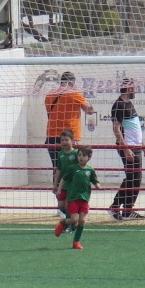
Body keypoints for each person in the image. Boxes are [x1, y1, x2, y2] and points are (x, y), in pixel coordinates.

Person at [44, 71, 95, 209]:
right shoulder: (74, 94)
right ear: (72, 82)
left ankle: (60, 205)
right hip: (69, 138)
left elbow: (50, 114)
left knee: (58, 169)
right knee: (73, 170)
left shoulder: (49, 95)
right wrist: (86, 101)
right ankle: (70, 205)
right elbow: (89, 110)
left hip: (52, 137)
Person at [108, 79, 145, 221]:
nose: (135, 90)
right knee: (132, 178)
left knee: (135, 178)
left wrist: (143, 145)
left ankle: (126, 210)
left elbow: (134, 127)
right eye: (134, 87)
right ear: (129, 88)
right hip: (128, 147)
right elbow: (116, 129)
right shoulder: (118, 105)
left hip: (136, 146)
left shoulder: (129, 103)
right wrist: (126, 148)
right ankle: (116, 207)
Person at [57, 146, 99, 250]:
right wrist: (59, 189)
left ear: (89, 157)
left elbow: (94, 180)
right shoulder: (73, 168)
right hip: (73, 198)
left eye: (83, 155)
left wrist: (98, 185)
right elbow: (64, 178)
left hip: (84, 198)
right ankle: (63, 222)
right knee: (74, 219)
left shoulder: (90, 170)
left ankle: (76, 242)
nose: (80, 157)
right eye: (79, 155)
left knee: (82, 221)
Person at [50, 130, 79, 230]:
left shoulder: (76, 153)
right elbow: (59, 169)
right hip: (63, 184)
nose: (64, 142)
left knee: (67, 205)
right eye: (62, 140)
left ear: (72, 140)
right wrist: (55, 184)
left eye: (67, 140)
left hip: (73, 184)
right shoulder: (60, 154)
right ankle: (73, 219)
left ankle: (69, 224)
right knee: (61, 205)